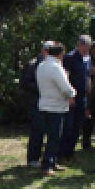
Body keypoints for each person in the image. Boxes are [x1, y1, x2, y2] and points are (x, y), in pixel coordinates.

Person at [35, 42, 76, 175]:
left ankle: (51, 161)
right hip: (56, 107)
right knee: (54, 138)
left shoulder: (41, 65)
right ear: (60, 54)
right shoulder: (56, 67)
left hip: (44, 104)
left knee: (51, 136)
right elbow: (64, 87)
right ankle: (47, 165)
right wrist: (73, 93)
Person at [59, 35, 92, 161]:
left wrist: (89, 96)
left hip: (83, 98)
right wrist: (69, 96)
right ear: (79, 45)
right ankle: (61, 153)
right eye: (84, 47)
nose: (86, 50)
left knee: (78, 126)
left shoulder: (87, 59)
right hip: (72, 98)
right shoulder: (70, 57)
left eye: (88, 48)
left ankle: (70, 152)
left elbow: (87, 77)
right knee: (68, 126)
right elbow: (65, 77)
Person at [21, 41, 51, 169]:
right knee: (37, 131)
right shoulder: (33, 64)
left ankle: (47, 158)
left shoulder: (51, 64)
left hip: (48, 102)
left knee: (47, 130)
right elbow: (25, 83)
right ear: (44, 51)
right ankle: (33, 158)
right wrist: (42, 87)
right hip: (36, 102)